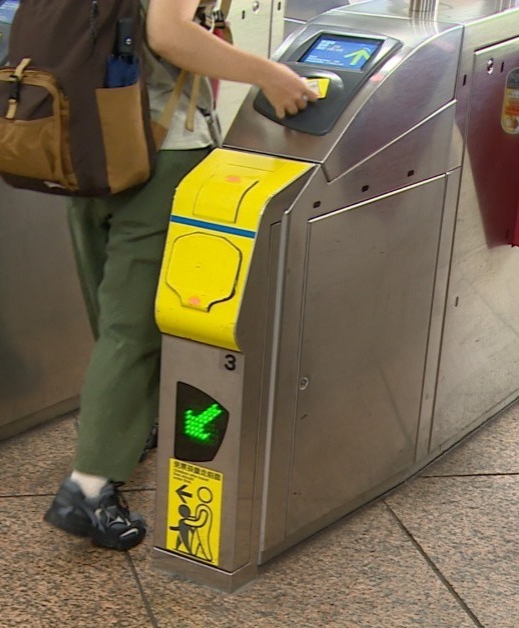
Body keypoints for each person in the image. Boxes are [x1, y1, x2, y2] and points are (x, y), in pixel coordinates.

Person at [42, 0, 318, 551]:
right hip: (156, 148)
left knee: (110, 309)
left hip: (76, 134)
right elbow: (168, 34)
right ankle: (88, 488)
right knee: (132, 328)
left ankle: (128, 420)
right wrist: (268, 73)